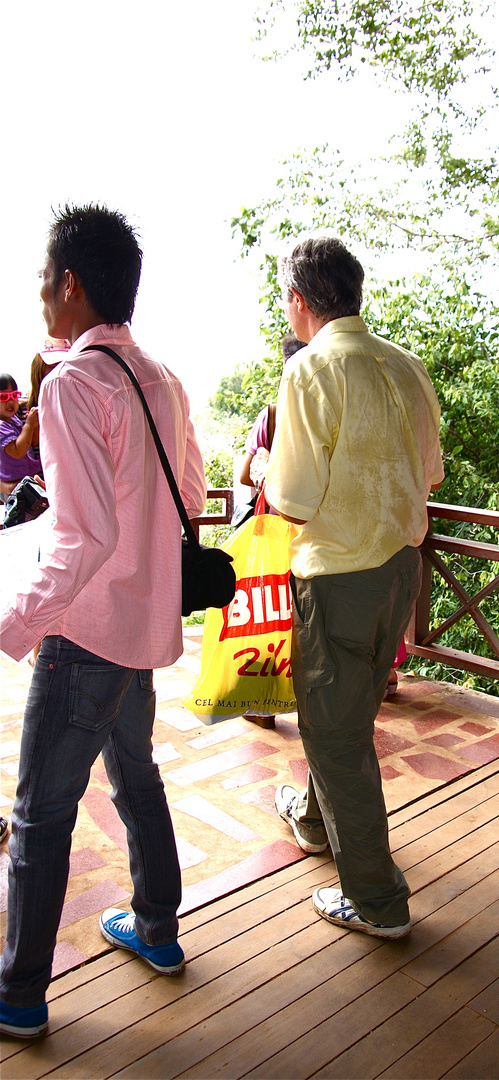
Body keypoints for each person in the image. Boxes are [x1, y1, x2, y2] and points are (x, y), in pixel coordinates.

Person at [0, 204, 207, 1040]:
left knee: (41, 816)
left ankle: (17, 993)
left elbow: (86, 534)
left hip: (84, 639)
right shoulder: (162, 378)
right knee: (135, 777)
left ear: (71, 283)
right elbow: (188, 498)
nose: (42, 293)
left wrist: (14, 622)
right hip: (142, 633)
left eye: (46, 278)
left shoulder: (80, 386)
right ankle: (156, 927)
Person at [266, 236, 443, 938]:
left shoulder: (311, 369)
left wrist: (256, 478)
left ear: (300, 301)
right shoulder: (405, 366)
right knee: (345, 715)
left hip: (339, 574)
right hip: (401, 570)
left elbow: (295, 499)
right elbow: (428, 475)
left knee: (336, 735)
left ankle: (377, 899)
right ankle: (312, 819)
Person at [236, 333, 305, 729]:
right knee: (307, 621)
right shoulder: (333, 405)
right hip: (316, 534)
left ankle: (264, 704)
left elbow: (247, 473)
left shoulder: (274, 414)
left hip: (276, 528)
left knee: (271, 615)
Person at [0, 373, 41, 500]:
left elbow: (30, 444)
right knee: (20, 516)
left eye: (14, 395)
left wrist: (35, 426)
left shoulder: (13, 420)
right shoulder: (1, 426)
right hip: (13, 485)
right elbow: (18, 452)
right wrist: (28, 425)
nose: (10, 401)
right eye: (3, 397)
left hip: (25, 479)